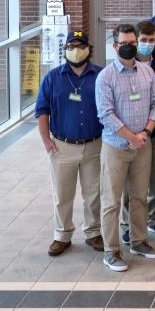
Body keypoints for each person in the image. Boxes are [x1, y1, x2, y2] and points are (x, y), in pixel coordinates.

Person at [96, 24, 155, 272]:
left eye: (133, 43)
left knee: (139, 197)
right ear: (115, 46)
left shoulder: (146, 71)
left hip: (142, 145)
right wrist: (131, 137)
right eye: (125, 43)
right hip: (116, 147)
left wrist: (145, 132)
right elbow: (105, 114)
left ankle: (138, 241)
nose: (130, 47)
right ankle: (111, 251)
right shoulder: (106, 77)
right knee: (111, 201)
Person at [36, 30, 104, 257]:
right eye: (71, 46)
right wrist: (46, 141)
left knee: (93, 193)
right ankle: (62, 235)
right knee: (62, 195)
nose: (75, 50)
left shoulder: (100, 75)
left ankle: (93, 232)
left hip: (94, 144)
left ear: (89, 49)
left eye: (80, 45)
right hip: (62, 146)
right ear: (64, 50)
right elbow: (42, 110)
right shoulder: (53, 77)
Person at [120, 21, 155, 245]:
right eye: (143, 40)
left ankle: (154, 218)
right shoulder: (126, 65)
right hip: (129, 135)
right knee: (130, 183)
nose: (147, 44)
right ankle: (127, 224)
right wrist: (130, 134)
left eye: (151, 40)